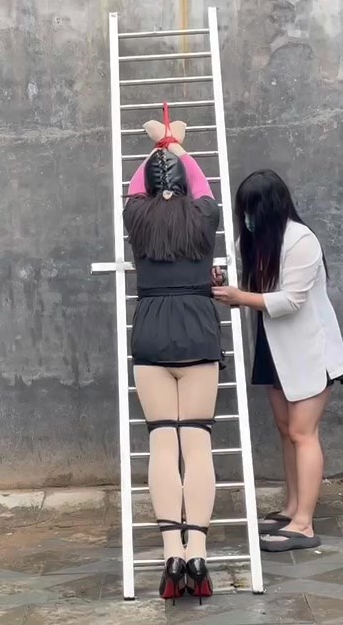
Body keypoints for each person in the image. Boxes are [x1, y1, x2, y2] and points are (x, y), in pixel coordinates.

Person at [212, 169, 343, 553]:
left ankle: (304, 524)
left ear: (270, 207)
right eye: (244, 210)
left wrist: (239, 297)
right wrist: (224, 282)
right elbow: (249, 283)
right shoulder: (255, 239)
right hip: (275, 348)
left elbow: (291, 300)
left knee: (304, 433)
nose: (247, 217)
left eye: (252, 209)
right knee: (287, 429)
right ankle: (291, 508)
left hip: (310, 352)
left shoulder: (301, 241)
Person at [123, 115, 221, 602]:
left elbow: (135, 186)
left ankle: (170, 556)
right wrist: (176, 144)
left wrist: (155, 145)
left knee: (162, 442)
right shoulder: (204, 215)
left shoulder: (136, 218)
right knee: (197, 444)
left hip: (151, 330)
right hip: (198, 327)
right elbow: (200, 183)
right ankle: (197, 553)